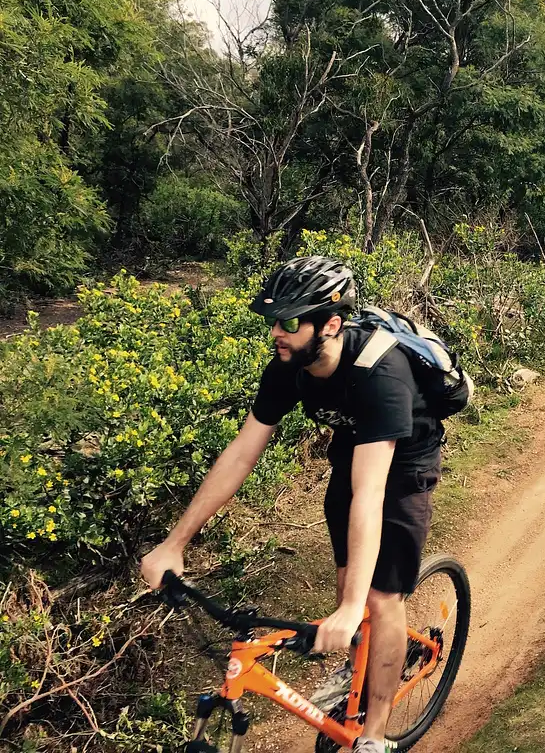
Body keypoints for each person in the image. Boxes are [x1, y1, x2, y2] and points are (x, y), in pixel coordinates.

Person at [140, 256, 442, 753]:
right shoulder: (289, 367)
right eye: (272, 320)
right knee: (350, 579)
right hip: (352, 444)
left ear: (331, 324)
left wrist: (348, 611)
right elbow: (239, 455)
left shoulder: (381, 376)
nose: (276, 332)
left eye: (289, 321)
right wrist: (174, 544)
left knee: (379, 599)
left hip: (405, 457)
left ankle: (374, 736)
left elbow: (371, 493)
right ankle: (361, 659)